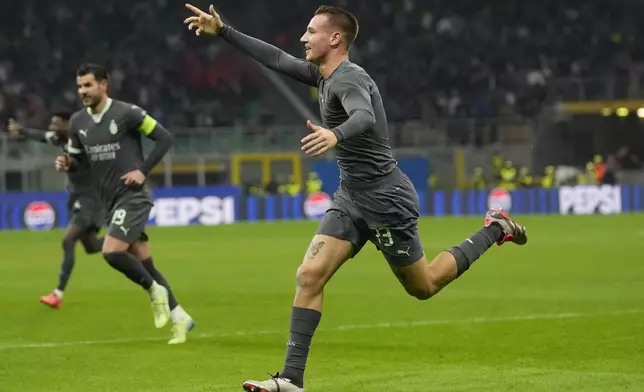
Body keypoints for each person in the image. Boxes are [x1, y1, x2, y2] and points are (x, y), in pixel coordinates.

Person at [184, 4, 528, 390]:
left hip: (386, 200)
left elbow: (362, 116)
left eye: (311, 31)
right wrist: (224, 31)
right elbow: (277, 59)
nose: (303, 37)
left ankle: (495, 229)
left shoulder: (347, 79)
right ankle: (292, 379)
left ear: (335, 39)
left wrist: (334, 135)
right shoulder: (324, 75)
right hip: (351, 197)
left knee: (424, 286)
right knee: (309, 275)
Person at [54, 63, 194, 344]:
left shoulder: (127, 113)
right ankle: (180, 317)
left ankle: (155, 291)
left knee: (111, 251)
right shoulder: (78, 123)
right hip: (109, 200)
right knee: (145, 263)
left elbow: (164, 138)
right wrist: (67, 164)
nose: (82, 91)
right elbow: (79, 160)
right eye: (79, 86)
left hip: (134, 195)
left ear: (104, 84)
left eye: (88, 85)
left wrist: (142, 170)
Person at [7, 113, 105, 308]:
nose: (52, 127)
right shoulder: (60, 138)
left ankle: (57, 294)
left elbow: (84, 162)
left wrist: (69, 165)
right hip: (78, 198)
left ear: (68, 124)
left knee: (68, 240)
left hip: (90, 199)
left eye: (56, 124)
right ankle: (127, 242)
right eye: (51, 123)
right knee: (92, 246)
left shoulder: (82, 141)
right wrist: (22, 130)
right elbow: (41, 136)